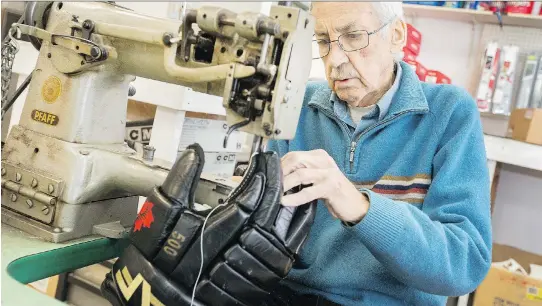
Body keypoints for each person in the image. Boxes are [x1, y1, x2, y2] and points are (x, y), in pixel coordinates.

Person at [267, 2, 492, 305]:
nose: (334, 60)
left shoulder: (450, 113)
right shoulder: (298, 106)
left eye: (354, 36)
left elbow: (464, 263)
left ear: (397, 35)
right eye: (323, 41)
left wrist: (361, 208)